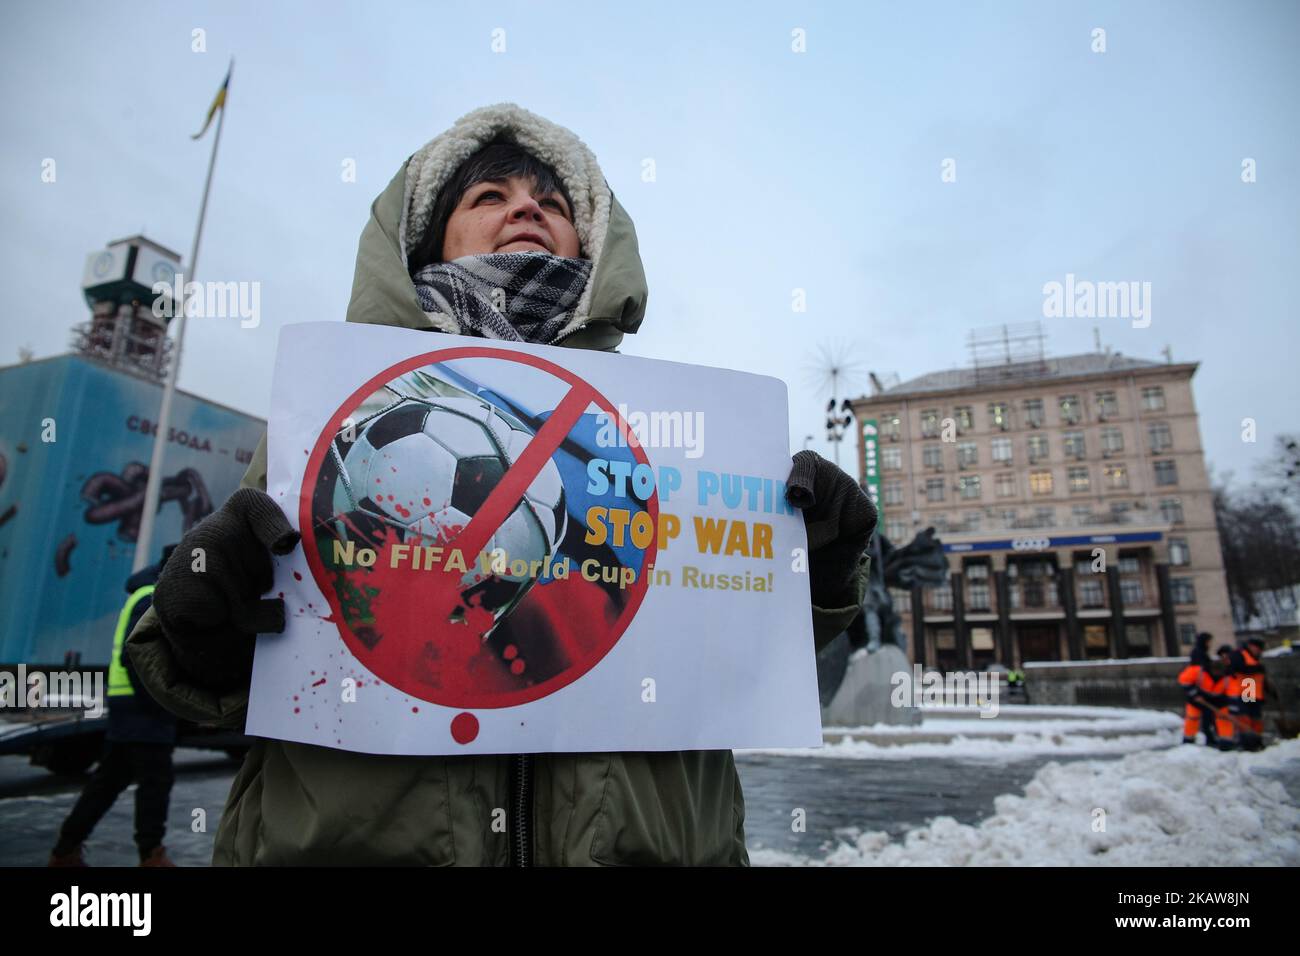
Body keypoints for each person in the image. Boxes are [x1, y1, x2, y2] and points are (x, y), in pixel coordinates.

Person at [125, 103, 876, 866]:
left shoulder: (679, 434)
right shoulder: (332, 413)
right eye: (490, 197)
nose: (525, 208)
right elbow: (230, 673)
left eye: (551, 203)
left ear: (592, 239)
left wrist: (815, 569)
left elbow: (733, 653)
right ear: (426, 237)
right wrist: (202, 621)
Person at [49, 545, 180, 867]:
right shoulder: (152, 596)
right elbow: (137, 657)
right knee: (154, 782)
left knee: (108, 782)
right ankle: (151, 855)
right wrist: (161, 703)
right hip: (143, 706)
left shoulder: (148, 593)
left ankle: (65, 850)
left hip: (131, 705)